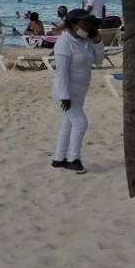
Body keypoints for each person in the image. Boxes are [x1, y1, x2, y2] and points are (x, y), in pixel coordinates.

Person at [51, 9, 104, 174]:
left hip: (80, 91)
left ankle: (59, 158)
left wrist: (98, 42)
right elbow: (61, 73)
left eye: (89, 22)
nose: (88, 26)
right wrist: (64, 96)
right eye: (84, 23)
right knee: (81, 123)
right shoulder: (64, 43)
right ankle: (73, 159)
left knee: (68, 124)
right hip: (66, 92)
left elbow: (99, 61)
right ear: (74, 24)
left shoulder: (85, 41)